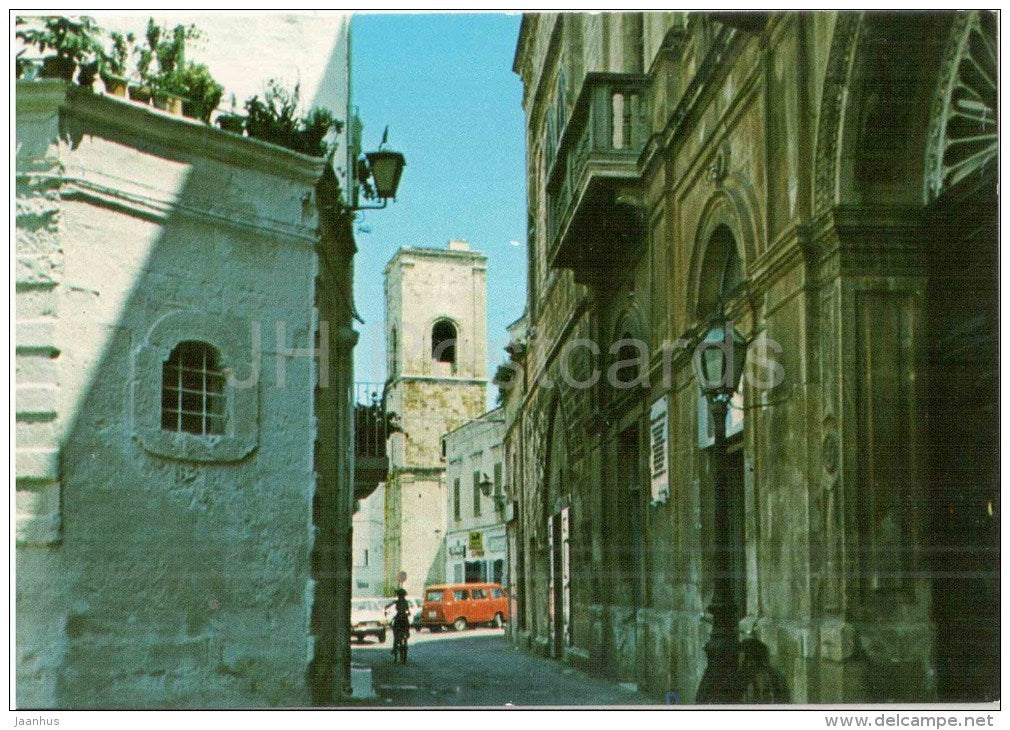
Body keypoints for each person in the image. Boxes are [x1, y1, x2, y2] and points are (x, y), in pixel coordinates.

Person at [386, 588, 411, 663]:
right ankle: (406, 634)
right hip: (404, 618)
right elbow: (408, 611)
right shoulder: (405, 602)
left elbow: (387, 606)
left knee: (396, 634)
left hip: (399, 618)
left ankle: (395, 648)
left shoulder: (396, 602)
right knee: (407, 627)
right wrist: (408, 613)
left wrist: (387, 608)